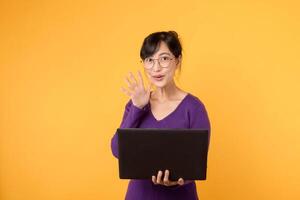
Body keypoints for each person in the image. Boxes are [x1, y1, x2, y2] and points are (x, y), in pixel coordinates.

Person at [111, 31, 211, 200]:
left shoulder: (194, 108)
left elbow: (197, 163)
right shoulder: (136, 103)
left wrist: (178, 180)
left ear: (177, 60)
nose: (156, 68)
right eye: (149, 60)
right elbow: (117, 150)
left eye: (164, 58)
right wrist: (137, 107)